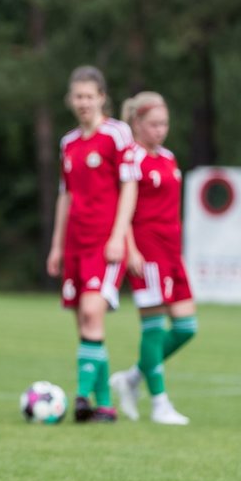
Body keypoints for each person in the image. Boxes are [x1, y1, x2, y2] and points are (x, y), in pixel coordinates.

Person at [46, 66, 139, 423]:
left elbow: (129, 186)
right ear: (71, 100)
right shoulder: (68, 143)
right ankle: (105, 406)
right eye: (78, 97)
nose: (83, 103)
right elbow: (65, 197)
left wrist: (119, 236)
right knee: (84, 325)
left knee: (91, 313)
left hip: (104, 242)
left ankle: (81, 396)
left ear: (102, 97)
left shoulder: (117, 134)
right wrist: (56, 246)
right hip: (75, 244)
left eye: (89, 96)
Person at [109, 92, 196, 425]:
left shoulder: (169, 158)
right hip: (147, 252)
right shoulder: (131, 157)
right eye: (154, 124)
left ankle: (131, 379)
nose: (161, 130)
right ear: (137, 124)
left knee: (187, 326)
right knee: (154, 327)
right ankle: (160, 403)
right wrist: (130, 246)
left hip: (172, 252)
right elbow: (124, 206)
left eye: (165, 124)